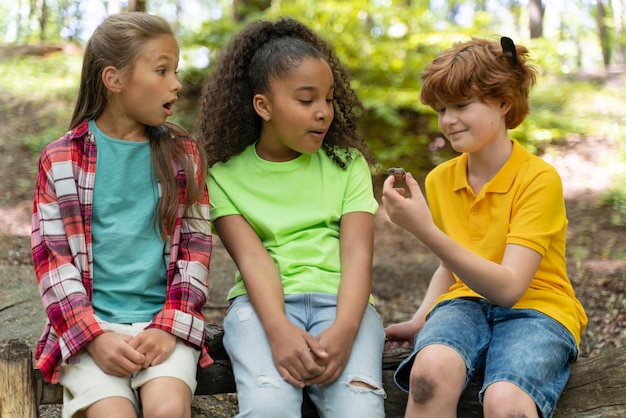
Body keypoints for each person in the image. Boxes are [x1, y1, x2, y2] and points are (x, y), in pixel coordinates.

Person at [381, 37, 587, 418]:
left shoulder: (539, 179)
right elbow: (450, 266)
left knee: (506, 402)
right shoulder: (441, 179)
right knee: (429, 374)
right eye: (441, 109)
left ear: (504, 101)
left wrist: (424, 229)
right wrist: (421, 317)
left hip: (537, 309)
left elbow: (509, 288)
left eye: (462, 105)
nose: (448, 120)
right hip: (464, 304)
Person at [196, 17, 386, 417]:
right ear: (263, 106)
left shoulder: (347, 165)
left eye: (329, 99)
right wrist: (279, 332)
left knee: (359, 407)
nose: (323, 113)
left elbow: (356, 258)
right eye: (306, 100)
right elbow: (252, 260)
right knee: (269, 404)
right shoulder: (223, 177)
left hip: (344, 305)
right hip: (260, 308)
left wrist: (346, 330)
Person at [31, 12, 212, 418]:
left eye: (176, 71)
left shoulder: (184, 155)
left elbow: (196, 249)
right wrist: (93, 337)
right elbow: (53, 262)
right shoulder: (61, 159)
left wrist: (170, 325)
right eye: (162, 70)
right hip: (90, 332)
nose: (177, 84)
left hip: (163, 327)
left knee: (167, 410)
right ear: (113, 79)